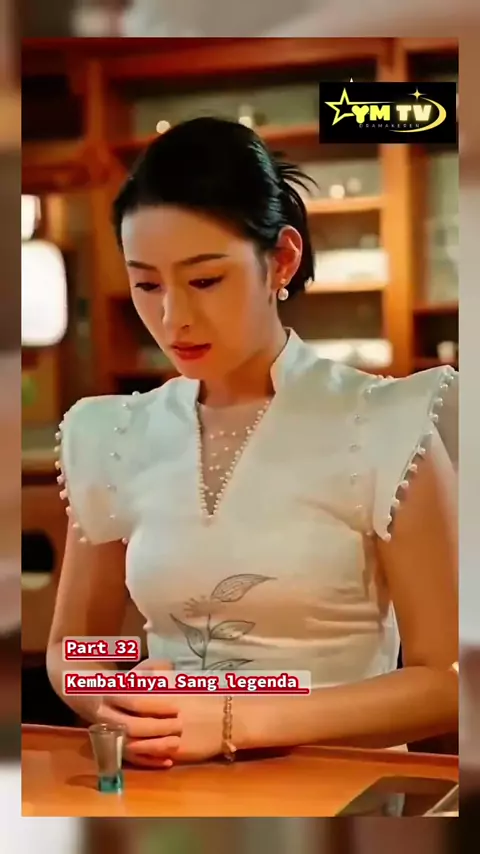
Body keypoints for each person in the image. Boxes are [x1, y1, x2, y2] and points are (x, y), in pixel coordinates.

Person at [47, 116, 458, 767]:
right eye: (146, 283)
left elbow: (449, 680)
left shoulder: (383, 423)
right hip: (171, 783)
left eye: (205, 280)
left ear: (281, 260)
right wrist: (116, 697)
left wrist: (235, 720)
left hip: (341, 785)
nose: (173, 317)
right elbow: (77, 648)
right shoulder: (115, 435)